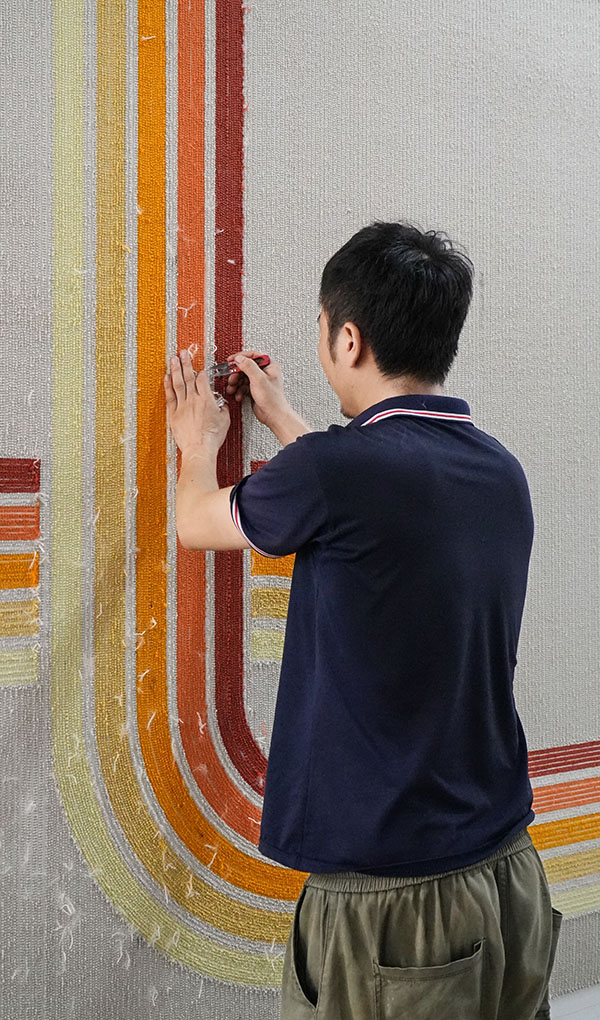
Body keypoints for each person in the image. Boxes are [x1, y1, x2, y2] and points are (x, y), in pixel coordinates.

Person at [164, 220, 562, 1020]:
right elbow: (371, 504)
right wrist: (282, 420)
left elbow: (197, 523)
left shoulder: (336, 473)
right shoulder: (497, 471)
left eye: (320, 329)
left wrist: (196, 443)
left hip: (395, 914)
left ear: (348, 338)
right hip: (512, 875)